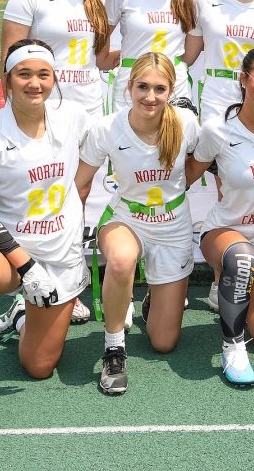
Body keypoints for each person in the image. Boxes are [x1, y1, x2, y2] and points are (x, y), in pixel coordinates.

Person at [0, 39, 93, 436]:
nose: (34, 83)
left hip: (60, 253)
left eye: (42, 74)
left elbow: (120, 132)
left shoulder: (73, 117)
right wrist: (25, 265)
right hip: (9, 248)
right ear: (8, 80)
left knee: (39, 367)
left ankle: (20, 315)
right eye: (24, 74)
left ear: (54, 79)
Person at [1, 0, 114, 326]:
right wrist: (16, 111)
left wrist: (148, 49)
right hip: (43, 108)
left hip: (89, 109)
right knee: (42, 193)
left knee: (78, 195)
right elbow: (10, 59)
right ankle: (26, 286)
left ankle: (70, 284)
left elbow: (101, 59)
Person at [75, 52, 199, 395]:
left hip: (174, 225)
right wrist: (67, 238)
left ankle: (153, 303)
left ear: (171, 90)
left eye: (159, 88)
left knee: (163, 343)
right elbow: (80, 185)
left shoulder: (187, 124)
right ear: (129, 87)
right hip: (126, 218)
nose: (150, 96)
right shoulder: (106, 128)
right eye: (142, 87)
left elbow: (201, 165)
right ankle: (114, 349)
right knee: (120, 259)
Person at [185, 46, 254, 386]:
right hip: (227, 234)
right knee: (241, 259)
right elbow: (187, 175)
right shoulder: (218, 131)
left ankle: (237, 292)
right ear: (244, 79)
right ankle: (232, 346)